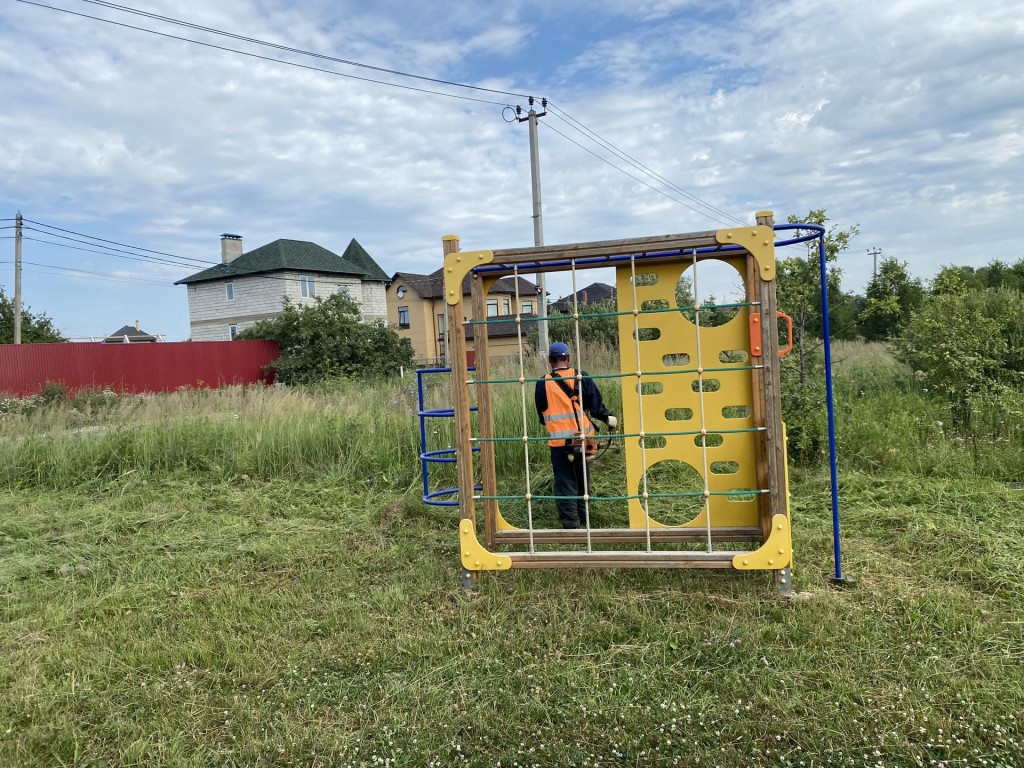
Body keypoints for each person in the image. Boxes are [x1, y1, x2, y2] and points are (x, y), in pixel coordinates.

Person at [535, 341, 618, 529]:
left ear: (550, 360)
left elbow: (542, 415)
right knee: (582, 479)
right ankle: (583, 517)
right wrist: (608, 418)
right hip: (583, 439)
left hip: (559, 443)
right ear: (568, 358)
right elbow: (596, 407)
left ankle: (571, 524)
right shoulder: (581, 377)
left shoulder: (542, 383)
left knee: (565, 482)